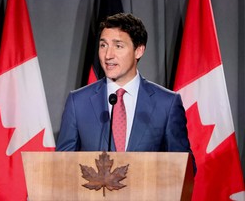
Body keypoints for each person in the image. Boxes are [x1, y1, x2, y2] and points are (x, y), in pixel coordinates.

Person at [56, 13, 195, 172]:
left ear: (139, 51)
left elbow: (185, 169)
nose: (108, 55)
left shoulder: (167, 104)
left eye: (118, 46)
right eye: (103, 45)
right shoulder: (78, 102)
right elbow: (62, 166)